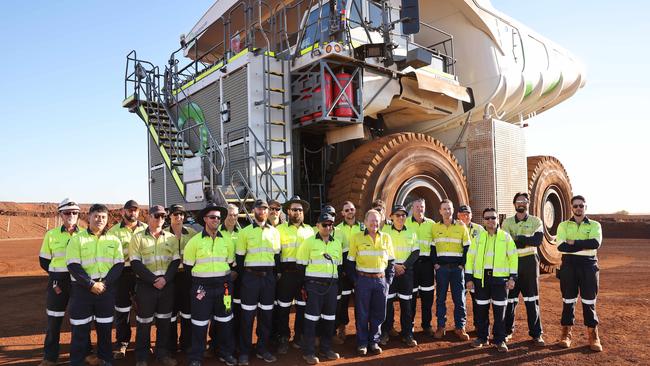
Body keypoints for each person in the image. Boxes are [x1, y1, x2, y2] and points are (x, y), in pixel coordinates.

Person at [38, 199, 97, 366]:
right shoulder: (51, 235)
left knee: (81, 320)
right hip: (58, 282)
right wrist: (58, 273)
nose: (71, 215)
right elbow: (44, 261)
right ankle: (50, 357)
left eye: (74, 212)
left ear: (78, 215)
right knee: (54, 320)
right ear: (61, 215)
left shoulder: (86, 234)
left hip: (79, 283)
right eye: (67, 212)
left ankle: (86, 354)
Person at [66, 204, 124, 366]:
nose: (100, 220)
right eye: (97, 216)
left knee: (105, 329)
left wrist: (104, 284)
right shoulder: (77, 239)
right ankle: (77, 361)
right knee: (80, 329)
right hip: (82, 291)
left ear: (107, 220)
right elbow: (73, 265)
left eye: (103, 217)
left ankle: (105, 360)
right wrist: (91, 284)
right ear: (89, 217)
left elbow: (118, 265)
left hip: (106, 290)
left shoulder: (114, 240)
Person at [183, 203, 237, 366]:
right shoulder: (194, 242)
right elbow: (188, 268)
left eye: (219, 218)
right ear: (205, 219)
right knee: (199, 324)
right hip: (202, 288)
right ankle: (196, 358)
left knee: (225, 321)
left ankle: (225, 353)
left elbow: (231, 264)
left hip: (224, 288)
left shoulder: (227, 240)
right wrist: (200, 284)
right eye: (212, 217)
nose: (216, 220)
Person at [129, 205, 180, 366]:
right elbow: (135, 263)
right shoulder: (137, 238)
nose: (160, 219)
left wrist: (165, 279)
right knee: (144, 323)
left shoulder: (171, 238)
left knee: (164, 322)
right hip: (146, 286)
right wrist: (153, 280)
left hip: (166, 285)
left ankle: (162, 354)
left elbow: (175, 261)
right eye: (157, 216)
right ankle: (142, 357)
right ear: (149, 217)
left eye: (163, 217)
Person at [465, 208, 518, 352]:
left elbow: (513, 258)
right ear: (483, 220)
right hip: (481, 280)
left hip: (500, 281)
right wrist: (469, 278)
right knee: (481, 310)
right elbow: (470, 258)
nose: (490, 221)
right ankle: (482, 337)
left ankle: (500, 340)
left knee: (499, 312)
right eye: (487, 218)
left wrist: (512, 277)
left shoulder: (505, 237)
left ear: (497, 219)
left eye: (493, 218)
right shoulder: (478, 238)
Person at [236, 199, 282, 365]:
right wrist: (246, 277)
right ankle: (244, 352)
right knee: (247, 316)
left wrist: (274, 276)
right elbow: (239, 259)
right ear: (253, 210)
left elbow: (277, 257)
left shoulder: (275, 233)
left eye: (265, 208)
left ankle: (263, 349)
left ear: (268, 211)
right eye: (259, 208)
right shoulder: (244, 232)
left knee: (266, 315)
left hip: (268, 278)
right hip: (250, 278)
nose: (262, 211)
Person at [556, 195, 603, 352]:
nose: (578, 208)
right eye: (575, 206)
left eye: (581, 206)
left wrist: (574, 242)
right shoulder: (563, 225)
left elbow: (595, 243)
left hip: (589, 265)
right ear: (571, 207)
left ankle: (593, 335)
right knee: (568, 300)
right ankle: (566, 334)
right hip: (568, 265)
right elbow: (561, 247)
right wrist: (584, 245)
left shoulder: (595, 225)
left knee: (589, 301)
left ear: (585, 207)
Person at [346, 209, 395, 356]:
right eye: (371, 220)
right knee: (362, 313)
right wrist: (356, 281)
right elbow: (349, 263)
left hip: (380, 281)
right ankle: (362, 343)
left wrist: (388, 281)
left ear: (380, 222)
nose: (374, 223)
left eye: (376, 220)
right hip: (363, 280)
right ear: (365, 222)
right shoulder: (356, 238)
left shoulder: (386, 238)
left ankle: (374, 341)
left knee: (379, 313)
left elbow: (391, 262)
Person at [296, 212, 343, 365]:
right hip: (314, 287)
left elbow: (339, 266)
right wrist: (305, 286)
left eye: (330, 225)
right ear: (317, 226)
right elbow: (301, 266)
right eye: (324, 225)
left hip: (331, 287)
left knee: (329, 319)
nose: (328, 227)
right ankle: (309, 352)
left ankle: (326, 348)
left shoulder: (336, 243)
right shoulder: (308, 242)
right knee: (311, 320)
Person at [501, 193, 545, 346]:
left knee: (532, 299)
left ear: (528, 204)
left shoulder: (536, 221)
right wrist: (526, 240)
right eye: (519, 201)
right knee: (510, 300)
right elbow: (506, 244)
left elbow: (538, 240)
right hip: (511, 263)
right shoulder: (506, 223)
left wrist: (518, 238)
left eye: (524, 201)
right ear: (514, 204)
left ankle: (536, 334)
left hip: (529, 264)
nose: (521, 203)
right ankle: (507, 332)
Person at [273, 196, 314, 353]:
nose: (298, 212)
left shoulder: (310, 230)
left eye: (300, 210)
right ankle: (283, 338)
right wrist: (278, 274)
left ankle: (299, 337)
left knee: (302, 308)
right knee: (283, 309)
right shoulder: (279, 230)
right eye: (294, 209)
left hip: (304, 276)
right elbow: (276, 254)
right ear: (288, 211)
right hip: (286, 276)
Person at [108, 200, 148, 359]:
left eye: (135, 210)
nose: (133, 213)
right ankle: (122, 343)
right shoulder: (113, 232)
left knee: (143, 310)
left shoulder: (146, 229)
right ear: (123, 211)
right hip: (122, 274)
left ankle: (142, 344)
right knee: (122, 310)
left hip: (143, 275)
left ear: (139, 212)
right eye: (129, 210)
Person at [380, 205, 419, 347]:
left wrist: (403, 266)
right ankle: (385, 332)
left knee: (406, 305)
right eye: (397, 215)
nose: (401, 218)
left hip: (406, 272)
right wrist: (394, 266)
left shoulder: (412, 231)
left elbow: (415, 252)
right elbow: (382, 251)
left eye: (403, 215)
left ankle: (407, 334)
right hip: (390, 270)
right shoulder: (385, 231)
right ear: (391, 217)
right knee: (387, 304)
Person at [432, 199, 471, 340]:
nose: (447, 211)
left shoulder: (461, 227)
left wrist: (462, 265)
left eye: (449, 208)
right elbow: (432, 248)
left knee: (459, 299)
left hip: (456, 270)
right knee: (440, 299)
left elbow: (467, 247)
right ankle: (441, 327)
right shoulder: (435, 228)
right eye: (444, 209)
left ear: (453, 210)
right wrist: (435, 264)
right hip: (441, 269)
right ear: (440, 211)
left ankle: (460, 328)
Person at [206, 204, 240, 357]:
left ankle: (232, 344)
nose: (232, 218)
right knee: (218, 313)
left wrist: (236, 273)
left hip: (238, 280)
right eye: (230, 215)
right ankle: (214, 344)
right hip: (221, 282)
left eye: (235, 215)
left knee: (233, 312)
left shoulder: (241, 233)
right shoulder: (217, 233)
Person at [167, 204, 198, 354]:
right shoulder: (163, 234)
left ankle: (187, 344)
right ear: (170, 216)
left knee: (187, 312)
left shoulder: (192, 233)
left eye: (181, 214)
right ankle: (171, 345)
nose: (178, 217)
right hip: (170, 278)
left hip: (187, 278)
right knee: (171, 314)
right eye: (175, 214)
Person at [332, 201, 364, 344]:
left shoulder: (363, 227)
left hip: (360, 269)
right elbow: (339, 252)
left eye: (352, 209)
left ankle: (360, 328)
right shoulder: (337, 230)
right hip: (345, 272)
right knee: (343, 301)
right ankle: (342, 327)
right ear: (342, 213)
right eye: (347, 210)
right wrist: (344, 270)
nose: (350, 211)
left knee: (360, 301)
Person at [404, 198, 436, 336]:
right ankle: (409, 326)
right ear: (412, 208)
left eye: (422, 207)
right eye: (417, 207)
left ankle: (426, 325)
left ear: (425, 207)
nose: (419, 209)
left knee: (427, 296)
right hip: (412, 265)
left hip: (427, 265)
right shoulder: (405, 223)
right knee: (411, 297)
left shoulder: (432, 224)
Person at [456, 204, 485, 334]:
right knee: (460, 298)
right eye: (462, 214)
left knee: (477, 298)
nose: (465, 216)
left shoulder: (479, 229)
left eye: (467, 214)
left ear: (471, 215)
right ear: (458, 215)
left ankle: (478, 325)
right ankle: (460, 326)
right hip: (460, 268)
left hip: (475, 269)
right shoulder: (454, 228)